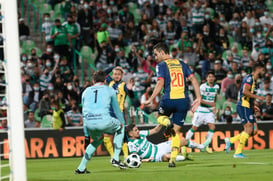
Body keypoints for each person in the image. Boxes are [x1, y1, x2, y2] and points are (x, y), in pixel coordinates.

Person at [144, 42, 201, 167]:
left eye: (156, 54)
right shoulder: (181, 63)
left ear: (162, 52)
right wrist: (198, 97)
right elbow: (193, 79)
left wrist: (151, 98)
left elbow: (160, 83)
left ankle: (167, 123)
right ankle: (173, 159)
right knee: (176, 131)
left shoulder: (162, 65)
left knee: (160, 118)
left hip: (169, 98)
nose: (155, 57)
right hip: (183, 101)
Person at [75, 70, 127, 174]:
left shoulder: (85, 91)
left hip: (89, 123)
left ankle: (81, 168)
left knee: (97, 140)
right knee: (121, 127)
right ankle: (116, 158)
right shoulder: (110, 90)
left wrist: (86, 135)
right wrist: (123, 124)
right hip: (104, 120)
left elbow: (84, 113)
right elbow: (117, 111)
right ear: (105, 80)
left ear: (93, 80)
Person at [225, 62, 266, 158]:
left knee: (253, 132)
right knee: (249, 128)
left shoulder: (255, 81)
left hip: (248, 106)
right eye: (263, 70)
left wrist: (253, 105)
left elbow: (248, 95)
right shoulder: (249, 78)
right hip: (243, 106)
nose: (264, 72)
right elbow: (244, 91)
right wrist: (257, 97)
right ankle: (237, 152)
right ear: (258, 69)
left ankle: (231, 140)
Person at [126, 124, 205, 162]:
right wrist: (146, 160)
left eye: (137, 129)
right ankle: (184, 157)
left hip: (159, 147)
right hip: (156, 156)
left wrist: (162, 122)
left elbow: (155, 130)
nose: (138, 131)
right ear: (130, 134)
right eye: (135, 130)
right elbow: (134, 158)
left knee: (183, 141)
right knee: (168, 157)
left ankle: (201, 146)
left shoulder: (142, 133)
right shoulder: (132, 145)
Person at [103, 66, 134, 161]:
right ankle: (113, 157)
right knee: (106, 137)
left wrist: (130, 89)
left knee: (122, 135)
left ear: (121, 76)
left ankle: (126, 157)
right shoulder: (110, 82)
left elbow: (132, 96)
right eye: (115, 74)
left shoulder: (124, 85)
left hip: (118, 113)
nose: (116, 76)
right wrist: (114, 67)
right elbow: (103, 73)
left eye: (118, 74)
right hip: (109, 113)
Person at [185, 71, 220, 153]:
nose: (211, 78)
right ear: (206, 78)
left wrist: (214, 107)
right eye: (209, 77)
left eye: (212, 77)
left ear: (214, 78)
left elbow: (215, 98)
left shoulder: (217, 87)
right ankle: (184, 144)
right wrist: (211, 104)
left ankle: (206, 145)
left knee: (212, 127)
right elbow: (199, 99)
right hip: (201, 110)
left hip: (209, 111)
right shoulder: (202, 87)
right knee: (194, 128)